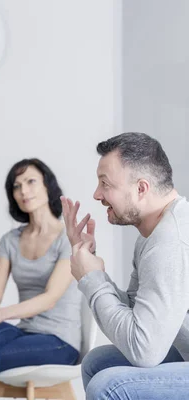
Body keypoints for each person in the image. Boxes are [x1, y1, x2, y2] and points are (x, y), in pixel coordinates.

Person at [62, 132, 189, 400]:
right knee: (98, 362)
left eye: (105, 184)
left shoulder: (170, 241)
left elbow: (144, 350)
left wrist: (92, 278)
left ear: (141, 188)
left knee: (108, 385)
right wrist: (92, 265)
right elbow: (135, 311)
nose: (97, 194)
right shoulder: (154, 234)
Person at [0, 158, 81, 400]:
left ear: (48, 186)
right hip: (26, 332)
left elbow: (50, 298)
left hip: (59, 342)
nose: (24, 191)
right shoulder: (10, 241)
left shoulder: (66, 238)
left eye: (31, 182)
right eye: (16, 186)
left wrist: (0, 315)